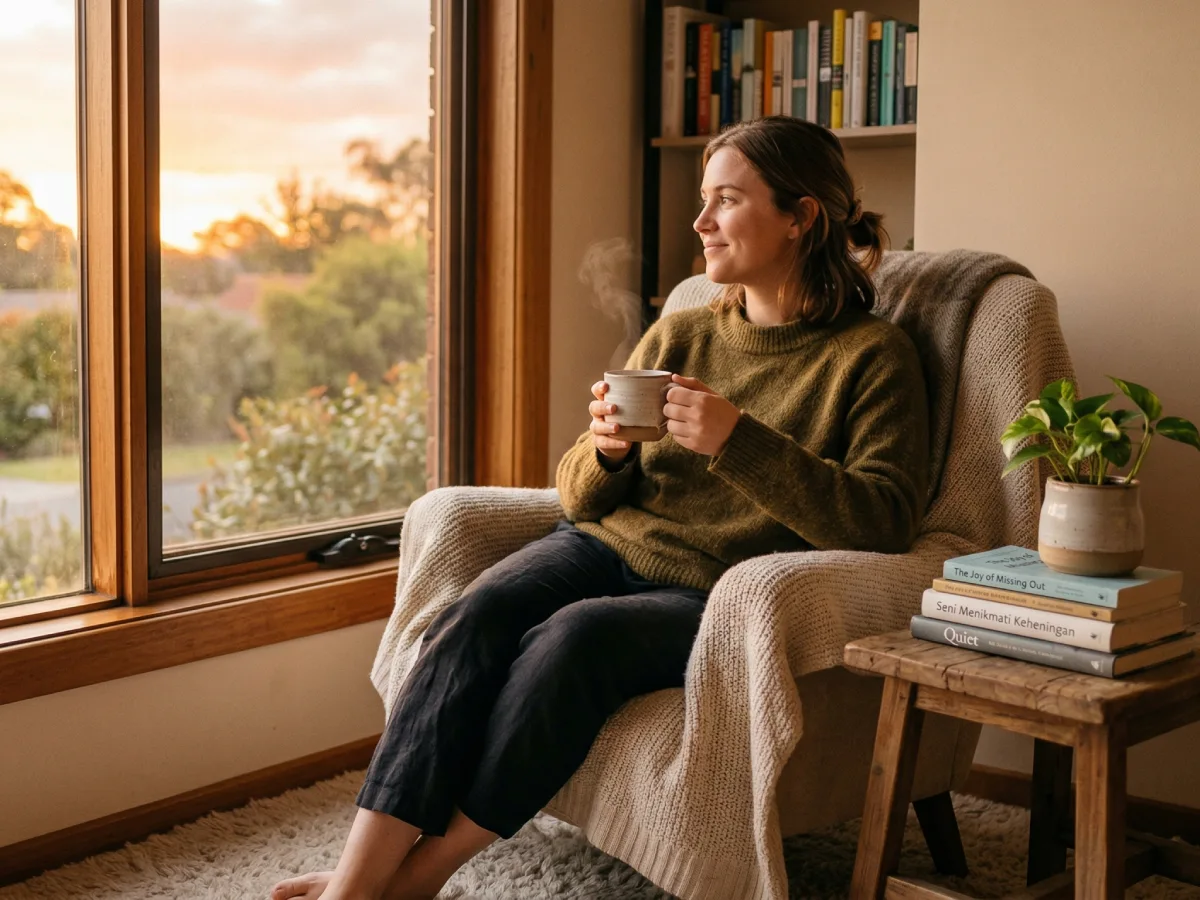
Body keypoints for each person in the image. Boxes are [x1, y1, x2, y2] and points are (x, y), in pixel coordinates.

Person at [270, 115, 930, 900]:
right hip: (601, 546)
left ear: (801, 216)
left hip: (715, 593)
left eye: (726, 199)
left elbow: (885, 521)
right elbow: (579, 496)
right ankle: (357, 876)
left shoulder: (871, 358)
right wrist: (608, 449)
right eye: (701, 198)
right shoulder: (682, 332)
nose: (701, 221)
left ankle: (421, 876)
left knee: (572, 640)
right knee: (473, 614)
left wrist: (736, 441)